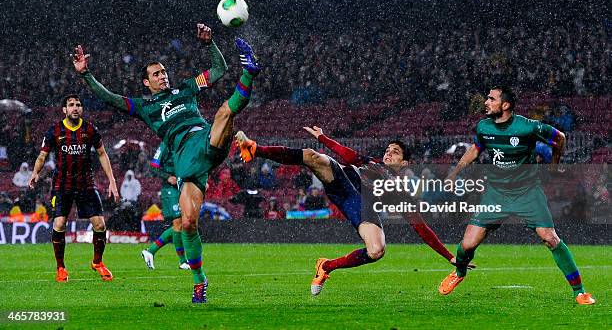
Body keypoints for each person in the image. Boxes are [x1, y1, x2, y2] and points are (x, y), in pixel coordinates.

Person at [72, 24, 260, 303]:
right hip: (186, 161)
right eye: (156, 74)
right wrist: (85, 74)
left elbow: (218, 71)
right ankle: (199, 282)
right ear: (146, 82)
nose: (163, 76)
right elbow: (109, 98)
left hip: (203, 138)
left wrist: (209, 44)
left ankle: (248, 71)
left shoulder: (185, 90)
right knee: (187, 224)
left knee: (223, 112)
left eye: (164, 72)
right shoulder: (145, 106)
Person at [235, 127, 460, 296]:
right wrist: (323, 138)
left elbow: (420, 226)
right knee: (313, 156)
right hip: (344, 182)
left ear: (405, 163)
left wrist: (449, 256)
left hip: (361, 207)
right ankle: (255, 149)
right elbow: (349, 155)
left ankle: (326, 266)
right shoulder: (373, 164)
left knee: (377, 250)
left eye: (395, 152)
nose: (388, 154)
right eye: (388, 150)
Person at [438, 86, 595, 305]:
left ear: (506, 105)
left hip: (527, 192)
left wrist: (553, 165)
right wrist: (454, 173)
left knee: (550, 238)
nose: (486, 102)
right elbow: (475, 149)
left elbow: (560, 138)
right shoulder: (484, 126)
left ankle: (580, 292)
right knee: (467, 245)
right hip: (496, 194)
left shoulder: (527, 127)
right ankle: (460, 273)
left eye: (491, 99)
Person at [28, 94, 119, 282]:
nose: (75, 108)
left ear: (82, 109)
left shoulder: (90, 129)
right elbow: (42, 156)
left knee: (100, 224)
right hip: (62, 185)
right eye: (71, 105)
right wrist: (35, 172)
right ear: (64, 110)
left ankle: (97, 263)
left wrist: (112, 180)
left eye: (78, 105)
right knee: (59, 224)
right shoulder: (54, 131)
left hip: (86, 184)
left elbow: (102, 154)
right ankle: (61, 268)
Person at [141, 142, 189, 270]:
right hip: (170, 190)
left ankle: (150, 251)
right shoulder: (165, 145)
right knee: (178, 224)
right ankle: (183, 261)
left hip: (182, 188)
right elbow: (153, 166)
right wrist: (167, 177)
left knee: (181, 225)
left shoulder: (184, 144)